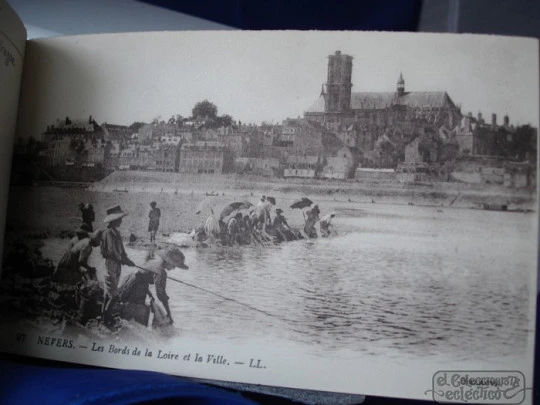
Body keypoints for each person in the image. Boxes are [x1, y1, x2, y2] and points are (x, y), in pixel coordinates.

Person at [100, 205, 135, 326]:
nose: (121, 221)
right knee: (114, 296)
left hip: (117, 266)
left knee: (108, 295)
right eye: (119, 219)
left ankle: (103, 317)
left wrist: (127, 259)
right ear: (114, 220)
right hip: (110, 266)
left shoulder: (117, 233)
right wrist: (123, 260)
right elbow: (111, 252)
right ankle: (106, 319)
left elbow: (121, 250)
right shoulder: (108, 233)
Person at [150, 246, 189, 325]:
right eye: (174, 265)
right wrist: (169, 314)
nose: (174, 268)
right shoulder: (161, 272)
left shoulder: (153, 263)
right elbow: (160, 294)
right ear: (167, 262)